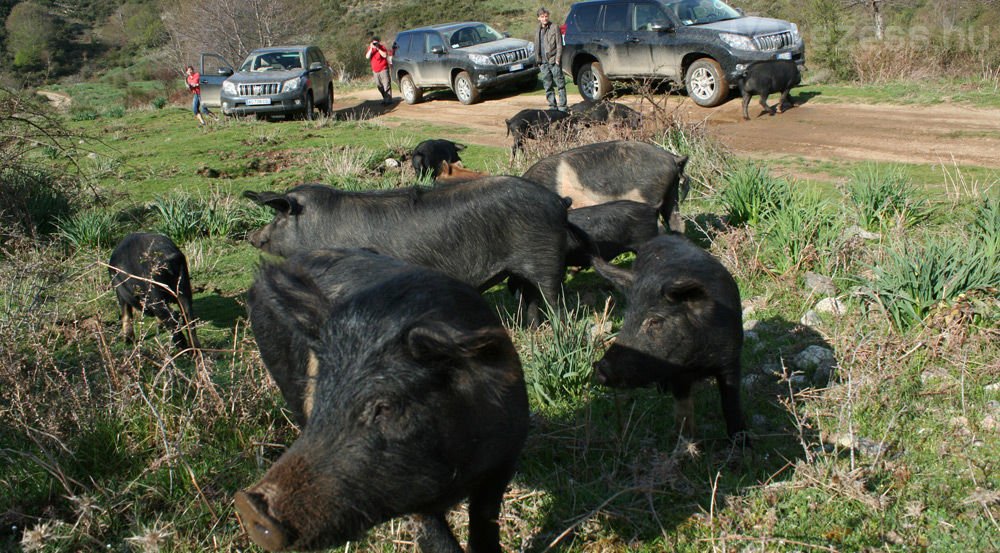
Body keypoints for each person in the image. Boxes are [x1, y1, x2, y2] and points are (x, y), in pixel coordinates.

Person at [535, 7, 567, 112]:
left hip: (554, 61)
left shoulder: (554, 27)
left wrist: (558, 59)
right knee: (548, 86)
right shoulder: (537, 30)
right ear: (538, 18)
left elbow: (559, 45)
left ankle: (562, 107)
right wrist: (538, 61)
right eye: (542, 17)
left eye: (546, 16)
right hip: (543, 63)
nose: (544, 18)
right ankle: (552, 107)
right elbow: (536, 46)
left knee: (560, 84)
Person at [365, 36, 393, 105]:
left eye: (376, 43)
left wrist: (378, 49)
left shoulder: (382, 47)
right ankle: (385, 98)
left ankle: (388, 100)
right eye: (373, 43)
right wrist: (371, 48)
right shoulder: (370, 48)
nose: (375, 44)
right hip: (375, 70)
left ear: (378, 42)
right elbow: (367, 57)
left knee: (386, 84)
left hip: (383, 69)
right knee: (379, 85)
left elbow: (384, 55)